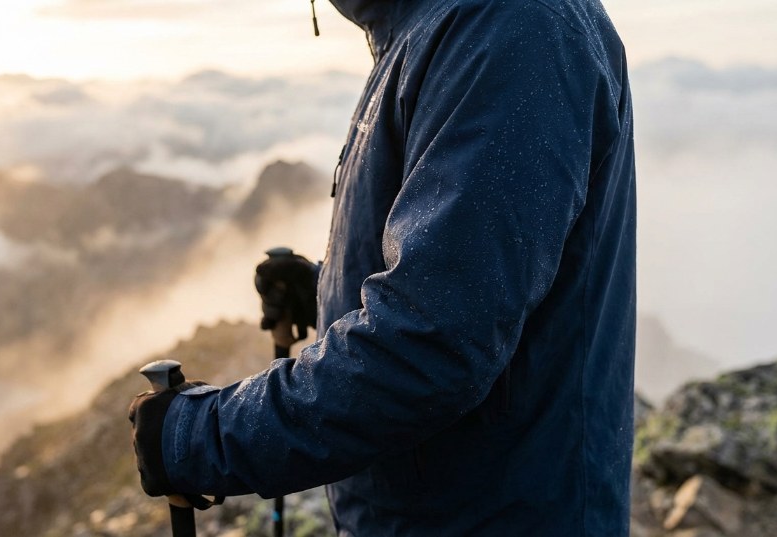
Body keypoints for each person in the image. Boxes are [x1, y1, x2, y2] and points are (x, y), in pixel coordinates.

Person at [130, 0, 636, 534]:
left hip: (492, 515)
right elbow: (456, 265)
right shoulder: (436, 27)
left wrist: (203, 436)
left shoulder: (509, 27)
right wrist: (329, 286)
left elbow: (433, 342)